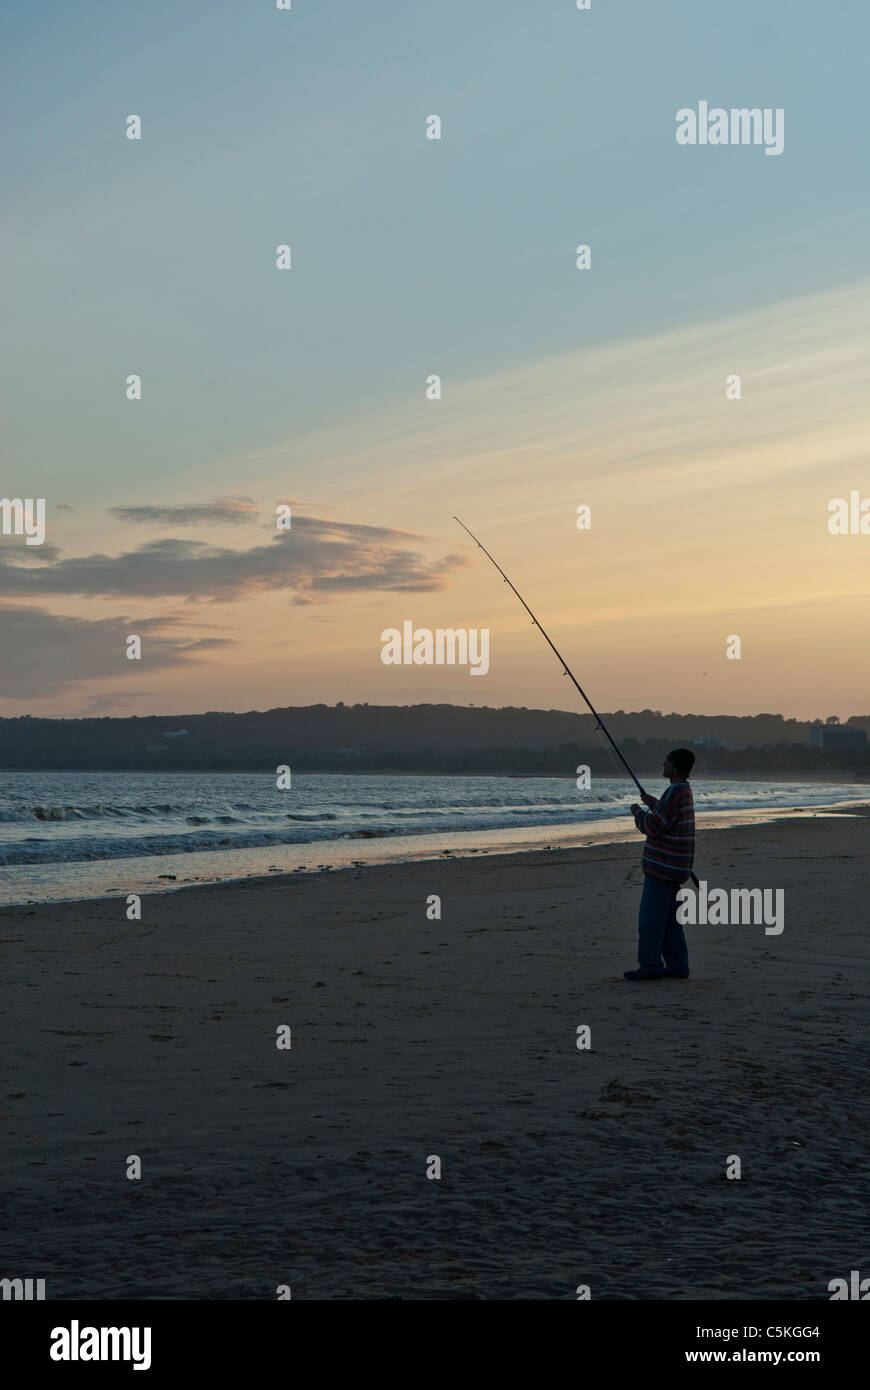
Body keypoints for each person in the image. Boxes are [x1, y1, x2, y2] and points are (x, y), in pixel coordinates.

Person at [623, 749, 696, 981]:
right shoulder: (682, 791)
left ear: (674, 768)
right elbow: (667, 818)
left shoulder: (675, 791)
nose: (662, 763)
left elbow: (654, 826)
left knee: (650, 920)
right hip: (675, 867)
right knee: (670, 922)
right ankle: (677, 966)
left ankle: (651, 966)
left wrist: (637, 813)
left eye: (666, 761)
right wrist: (655, 804)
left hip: (663, 867)